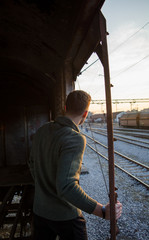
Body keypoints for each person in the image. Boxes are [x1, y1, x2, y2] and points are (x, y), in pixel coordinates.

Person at [28, 90, 122, 240]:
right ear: (85, 114)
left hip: (40, 212)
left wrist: (45, 185)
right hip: (65, 216)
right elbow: (66, 186)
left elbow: (32, 164)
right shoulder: (74, 138)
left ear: (65, 108)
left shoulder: (42, 130)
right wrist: (102, 211)